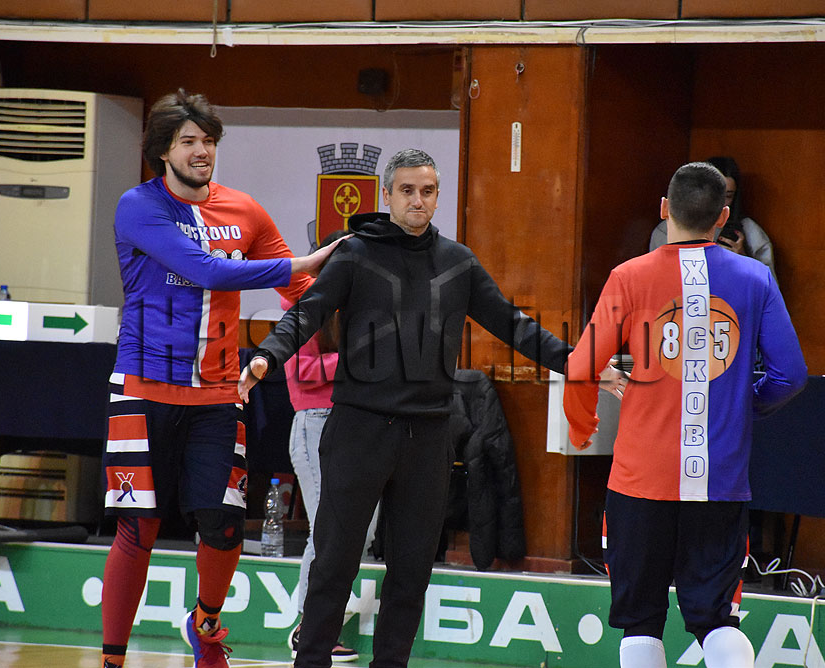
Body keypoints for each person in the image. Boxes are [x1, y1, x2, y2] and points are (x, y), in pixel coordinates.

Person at [239, 148, 623, 668]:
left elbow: (514, 325)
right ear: (387, 195)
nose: (417, 201)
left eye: (427, 191)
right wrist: (266, 356)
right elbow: (306, 314)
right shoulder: (355, 255)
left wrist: (582, 364)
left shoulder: (458, 262)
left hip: (428, 437)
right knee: (333, 565)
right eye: (407, 191)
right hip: (358, 431)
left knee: (412, 572)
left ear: (438, 195)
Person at [99, 89, 343, 668]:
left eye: (208, 141)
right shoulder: (138, 206)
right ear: (164, 151)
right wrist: (302, 261)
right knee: (139, 528)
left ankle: (205, 625)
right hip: (142, 389)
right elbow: (204, 269)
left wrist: (358, 306)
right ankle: (112, 660)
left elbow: (301, 292)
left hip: (217, 394)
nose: (201, 151)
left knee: (225, 525)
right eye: (188, 141)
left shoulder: (245, 211)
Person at [564, 162, 807, 668]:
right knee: (717, 621)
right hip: (719, 481)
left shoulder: (628, 277)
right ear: (723, 217)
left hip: (639, 481)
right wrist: (741, 403)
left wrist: (592, 408)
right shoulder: (756, 277)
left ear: (663, 210)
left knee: (641, 621)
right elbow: (789, 376)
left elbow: (581, 367)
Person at [281, 229, 358, 663]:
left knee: (359, 530)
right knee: (327, 530)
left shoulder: (360, 308)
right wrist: (358, 360)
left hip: (357, 425)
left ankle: (323, 623)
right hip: (315, 424)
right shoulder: (303, 306)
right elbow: (301, 371)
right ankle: (308, 627)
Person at [649, 156, 777, 283]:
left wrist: (743, 259)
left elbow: (769, 286)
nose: (720, 203)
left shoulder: (751, 232)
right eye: (714, 195)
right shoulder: (666, 230)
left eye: (728, 196)